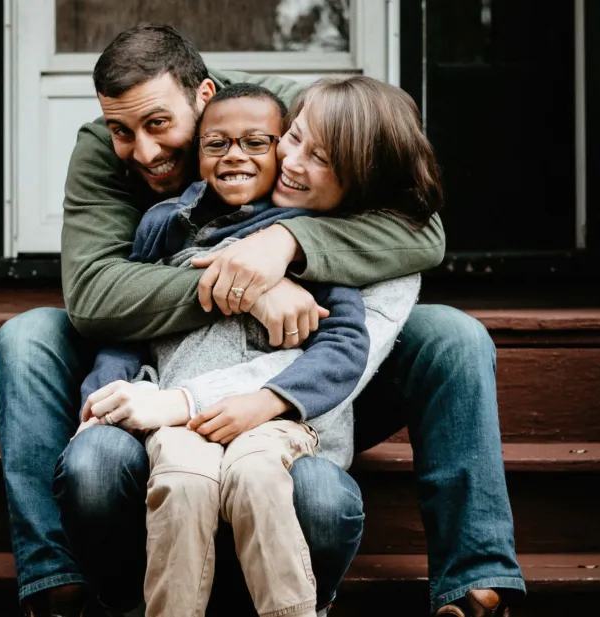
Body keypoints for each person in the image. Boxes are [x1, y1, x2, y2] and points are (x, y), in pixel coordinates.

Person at [0, 23, 524, 617]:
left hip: (304, 375)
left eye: (159, 124)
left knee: (453, 335)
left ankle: (475, 578)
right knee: (27, 336)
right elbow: (94, 297)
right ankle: (55, 577)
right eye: (124, 131)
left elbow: (421, 232)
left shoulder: (293, 112)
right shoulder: (107, 150)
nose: (143, 151)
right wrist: (247, 287)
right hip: (163, 361)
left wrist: (287, 243)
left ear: (205, 97)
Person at [74, 81, 422, 617]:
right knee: (182, 482)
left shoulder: (315, 235)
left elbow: (344, 344)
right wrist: (106, 395)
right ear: (198, 151)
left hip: (272, 425)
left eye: (258, 143)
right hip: (179, 422)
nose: (238, 156)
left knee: (258, 477)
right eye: (217, 144)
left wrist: (272, 396)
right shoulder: (166, 225)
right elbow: (129, 328)